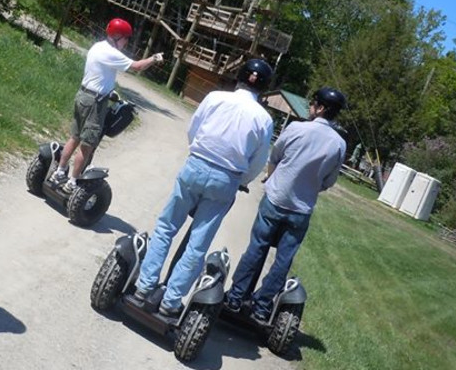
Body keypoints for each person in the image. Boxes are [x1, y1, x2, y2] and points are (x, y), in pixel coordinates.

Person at [133, 59, 275, 317]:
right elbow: (258, 161)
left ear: (239, 77)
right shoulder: (264, 119)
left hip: (196, 165)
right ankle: (171, 301)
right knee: (197, 244)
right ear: (263, 89)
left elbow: (193, 130)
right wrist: (242, 181)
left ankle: (144, 286)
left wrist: (198, 154)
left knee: (166, 227)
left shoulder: (215, 97)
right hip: (226, 179)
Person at [224, 87, 348, 321]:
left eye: (313, 104)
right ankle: (261, 307)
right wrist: (311, 186)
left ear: (321, 108)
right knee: (283, 259)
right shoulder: (339, 144)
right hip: (301, 209)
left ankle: (236, 297)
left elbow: (275, 157)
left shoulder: (296, 129)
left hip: (276, 199)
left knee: (257, 247)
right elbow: (329, 181)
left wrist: (271, 177)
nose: (311, 107)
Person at [49, 18, 163, 192]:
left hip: (83, 95)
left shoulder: (97, 46)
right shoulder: (112, 53)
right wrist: (154, 58)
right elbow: (137, 67)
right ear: (117, 37)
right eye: (126, 39)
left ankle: (59, 171)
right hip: (95, 103)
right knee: (87, 145)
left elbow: (100, 74)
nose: (126, 43)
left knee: (74, 137)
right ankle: (72, 182)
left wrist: (109, 92)